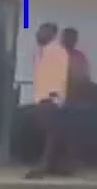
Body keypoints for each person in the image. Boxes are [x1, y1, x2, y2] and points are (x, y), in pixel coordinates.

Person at [27, 22, 75, 177]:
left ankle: (44, 165)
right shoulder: (42, 52)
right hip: (41, 97)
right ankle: (64, 165)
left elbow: (60, 75)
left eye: (43, 31)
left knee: (51, 132)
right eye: (39, 31)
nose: (39, 34)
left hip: (51, 97)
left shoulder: (57, 51)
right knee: (53, 132)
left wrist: (55, 96)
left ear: (52, 34)